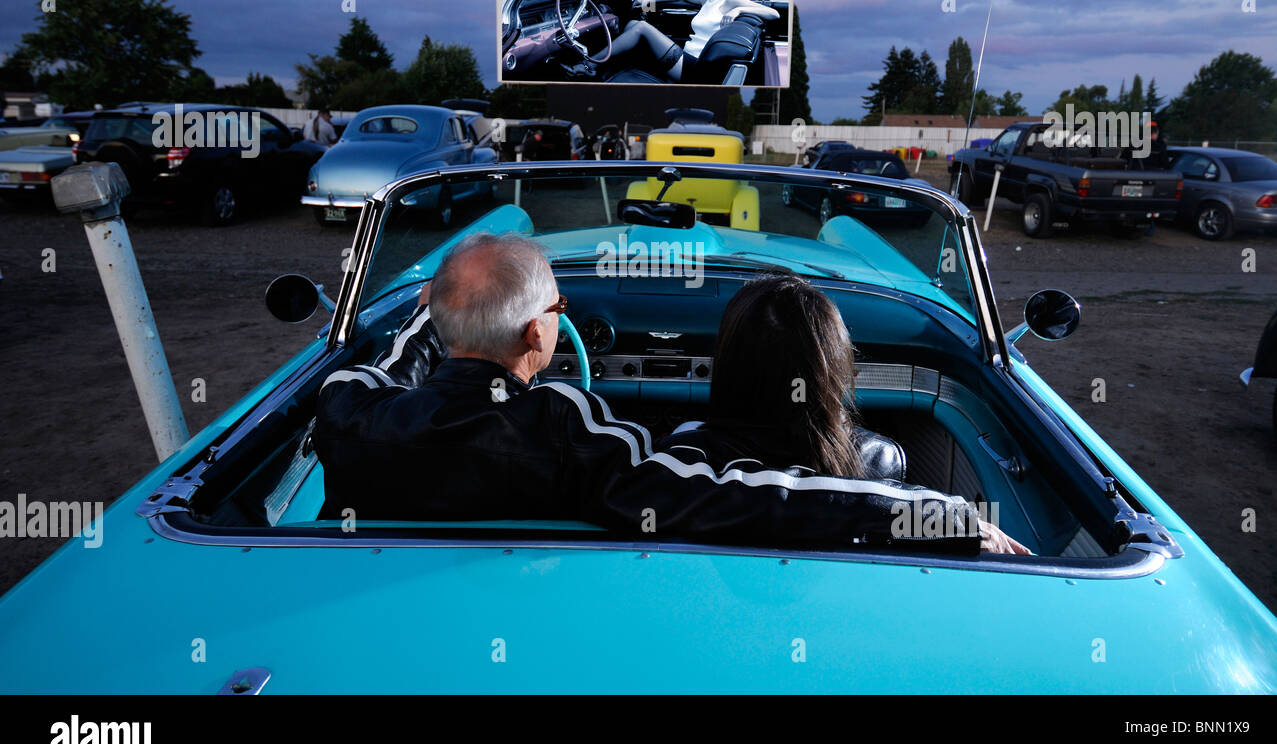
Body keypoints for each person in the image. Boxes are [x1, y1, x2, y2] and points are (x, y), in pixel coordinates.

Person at [312, 233, 1024, 552]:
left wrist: (444, 309)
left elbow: (402, 356)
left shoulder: (348, 412)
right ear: (537, 336)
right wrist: (941, 515)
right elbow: (749, 494)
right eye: (559, 312)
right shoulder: (566, 429)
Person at [662, 274, 1031, 554]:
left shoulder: (680, 463)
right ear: (836, 371)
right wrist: (956, 519)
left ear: (728, 367)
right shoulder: (880, 464)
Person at [582, 0, 780, 83]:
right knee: (634, 24)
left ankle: (591, 64)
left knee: (641, 27)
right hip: (686, 57)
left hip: (694, 69)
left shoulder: (729, 0)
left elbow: (773, 14)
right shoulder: (707, 0)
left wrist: (739, 9)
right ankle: (610, 67)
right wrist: (646, 1)